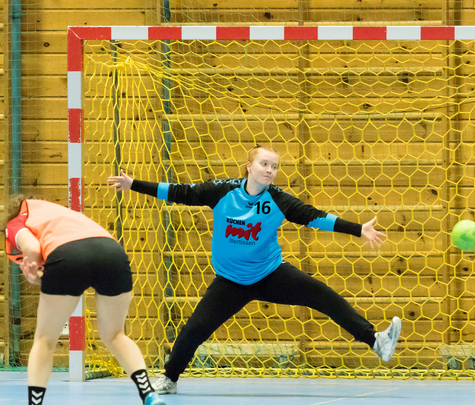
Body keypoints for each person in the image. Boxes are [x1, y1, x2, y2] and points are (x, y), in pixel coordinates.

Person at [108, 144, 402, 394]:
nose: (270, 170)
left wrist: (358, 229)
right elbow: (181, 192)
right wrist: (134, 184)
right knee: (194, 329)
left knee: (323, 295)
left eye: (274, 166)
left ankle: (376, 341)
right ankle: (169, 379)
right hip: (230, 281)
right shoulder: (223, 191)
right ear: (249, 166)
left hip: (270, 273)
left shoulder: (278, 200)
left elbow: (314, 216)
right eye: (264, 164)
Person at [3, 196, 165, 405]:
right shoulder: (57, 214)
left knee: (44, 340)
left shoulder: (16, 222)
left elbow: (33, 248)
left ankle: (35, 403)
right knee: (115, 335)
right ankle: (148, 393)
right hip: (112, 252)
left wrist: (32, 270)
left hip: (68, 255)